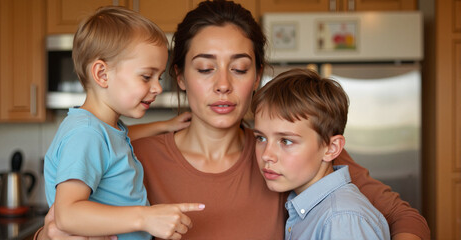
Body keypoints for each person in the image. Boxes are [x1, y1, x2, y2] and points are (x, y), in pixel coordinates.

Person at [37, 1, 430, 239]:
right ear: (179, 76)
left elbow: (404, 217)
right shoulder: (126, 152)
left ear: (257, 77)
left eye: (240, 69)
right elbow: (62, 223)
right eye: (205, 69)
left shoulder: (292, 154)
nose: (223, 85)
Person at [43, 6, 204, 240]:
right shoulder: (86, 134)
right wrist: (145, 217)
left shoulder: (102, 129)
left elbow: (120, 139)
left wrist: (164, 125)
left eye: (158, 78)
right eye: (146, 76)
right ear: (102, 74)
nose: (158, 87)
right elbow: (67, 214)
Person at [251, 68, 390, 239]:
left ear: (331, 148)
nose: (266, 155)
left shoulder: (341, 219)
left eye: (286, 141)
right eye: (260, 138)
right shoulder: (307, 206)